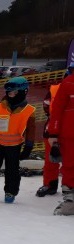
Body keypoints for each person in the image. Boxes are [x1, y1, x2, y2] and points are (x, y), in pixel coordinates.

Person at [0, 76, 36, 203]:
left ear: (23, 92)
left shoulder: (29, 111)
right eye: (9, 93)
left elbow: (31, 130)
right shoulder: (0, 107)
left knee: (12, 171)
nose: (11, 95)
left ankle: (10, 192)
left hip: (15, 145)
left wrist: (28, 146)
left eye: (15, 92)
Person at [36, 64, 73, 196]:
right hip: (53, 129)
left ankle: (67, 186)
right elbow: (47, 106)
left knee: (67, 161)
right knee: (51, 159)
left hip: (66, 129)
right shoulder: (55, 89)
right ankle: (50, 185)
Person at [47, 62, 74, 215]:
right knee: (70, 166)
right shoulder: (68, 84)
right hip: (69, 135)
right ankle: (71, 201)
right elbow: (56, 110)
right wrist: (53, 133)